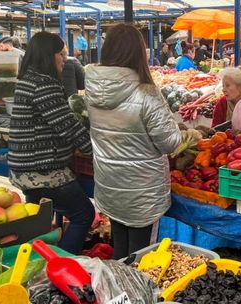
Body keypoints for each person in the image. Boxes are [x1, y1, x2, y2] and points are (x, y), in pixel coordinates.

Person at [84, 24, 182, 259]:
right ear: (138, 53)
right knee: (141, 257)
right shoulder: (146, 93)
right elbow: (170, 143)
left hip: (110, 184)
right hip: (143, 192)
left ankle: (119, 291)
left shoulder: (93, 91)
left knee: (121, 251)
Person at [8, 31, 94, 255]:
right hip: (42, 171)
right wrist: (97, 150)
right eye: (61, 54)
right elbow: (67, 126)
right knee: (84, 214)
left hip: (24, 168)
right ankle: (61, 264)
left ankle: (39, 261)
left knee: (39, 222)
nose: (65, 60)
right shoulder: (44, 84)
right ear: (49, 56)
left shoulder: (27, 79)